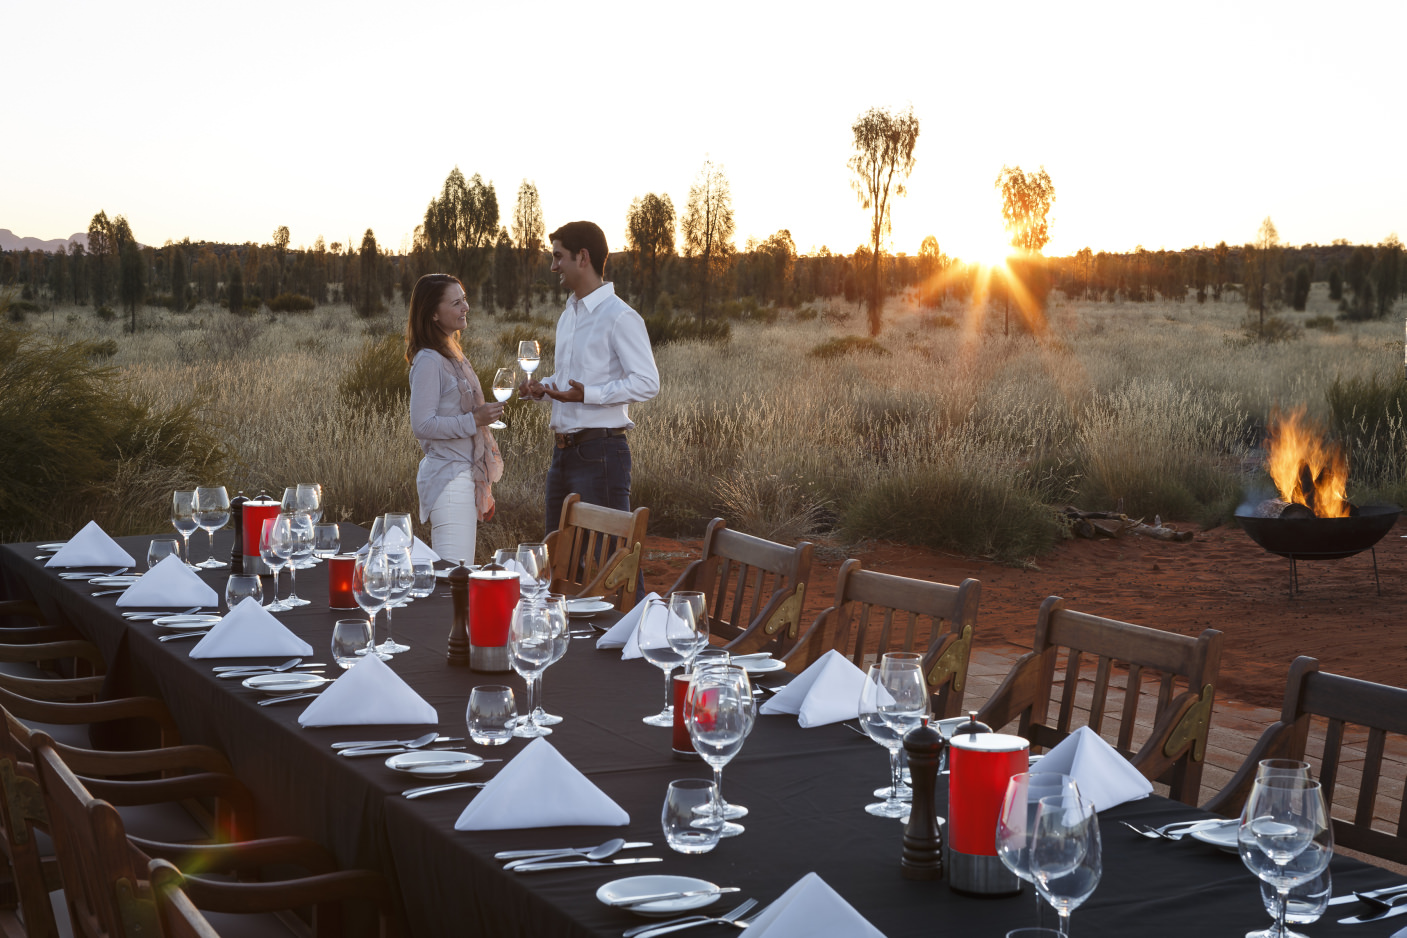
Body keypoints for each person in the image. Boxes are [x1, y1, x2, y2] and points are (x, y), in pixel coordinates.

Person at [521, 221, 659, 534]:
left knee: (605, 557)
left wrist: (589, 394)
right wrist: (544, 388)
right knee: (557, 553)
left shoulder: (620, 316)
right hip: (561, 455)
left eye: (558, 257)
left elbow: (648, 382)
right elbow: (570, 379)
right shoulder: (568, 316)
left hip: (601, 456)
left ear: (582, 257)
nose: (553, 266)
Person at [405, 273, 505, 565]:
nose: (466, 307)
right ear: (433, 313)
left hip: (462, 475)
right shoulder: (428, 360)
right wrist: (474, 419)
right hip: (449, 480)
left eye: (465, 300)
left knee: (459, 574)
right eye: (456, 303)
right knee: (454, 578)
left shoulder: (451, 354)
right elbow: (422, 425)